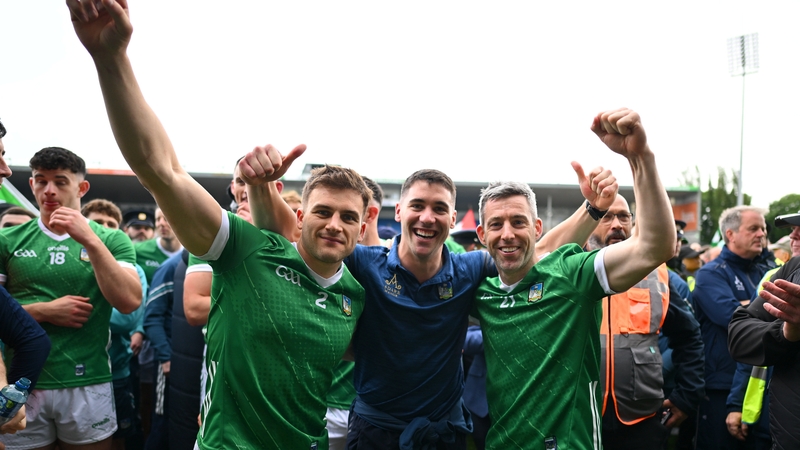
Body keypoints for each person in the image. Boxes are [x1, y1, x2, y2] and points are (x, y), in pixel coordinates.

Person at [69, 4, 373, 450]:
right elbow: (162, 171)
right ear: (301, 216)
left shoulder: (356, 293)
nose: (334, 224)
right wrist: (111, 59)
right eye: (323, 211)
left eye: (349, 217)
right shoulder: (249, 251)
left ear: (364, 224)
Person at [245, 140, 619, 449]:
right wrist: (260, 186)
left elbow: (533, 254)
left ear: (453, 219)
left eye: (439, 209)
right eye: (418, 206)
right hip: (373, 432)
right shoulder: (364, 263)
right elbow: (294, 236)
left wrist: (592, 209)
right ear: (399, 211)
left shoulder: (469, 270)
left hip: (442, 434)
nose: (427, 217)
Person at [469, 108, 676, 449]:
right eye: (496, 224)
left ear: (537, 228)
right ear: (481, 233)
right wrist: (590, 209)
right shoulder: (480, 289)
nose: (507, 234)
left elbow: (655, 247)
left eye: (519, 222)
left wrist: (640, 158)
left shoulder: (570, 273)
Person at [0, 146, 141, 449]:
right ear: (32, 184)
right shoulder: (7, 239)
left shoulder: (111, 238)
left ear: (82, 187)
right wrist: (44, 310)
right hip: (23, 381)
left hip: (88, 381)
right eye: (41, 180)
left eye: (60, 181)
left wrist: (89, 238)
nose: (49, 190)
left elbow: (129, 302)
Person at [586, 194, 705, 449]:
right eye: (606, 216)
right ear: (588, 221)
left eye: (623, 216)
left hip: (642, 422)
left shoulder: (657, 274)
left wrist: (686, 397)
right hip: (579, 418)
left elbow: (690, 337)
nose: (617, 224)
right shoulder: (567, 271)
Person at [692, 206, 771, 449]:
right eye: (753, 228)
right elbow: (734, 319)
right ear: (730, 234)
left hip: (761, 384)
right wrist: (764, 304)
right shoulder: (710, 274)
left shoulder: (765, 271)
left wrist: (749, 304)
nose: (761, 234)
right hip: (720, 385)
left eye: (763, 229)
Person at [728, 212, 800, 450]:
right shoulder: (791, 271)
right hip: (782, 435)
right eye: (793, 228)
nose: (794, 234)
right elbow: (738, 333)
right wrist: (787, 331)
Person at [82, 198, 148, 450]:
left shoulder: (134, 270)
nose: (106, 228)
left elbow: (126, 318)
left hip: (115, 372)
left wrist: (66, 311)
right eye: (98, 222)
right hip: (65, 374)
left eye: (111, 224)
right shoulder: (67, 259)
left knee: (117, 440)